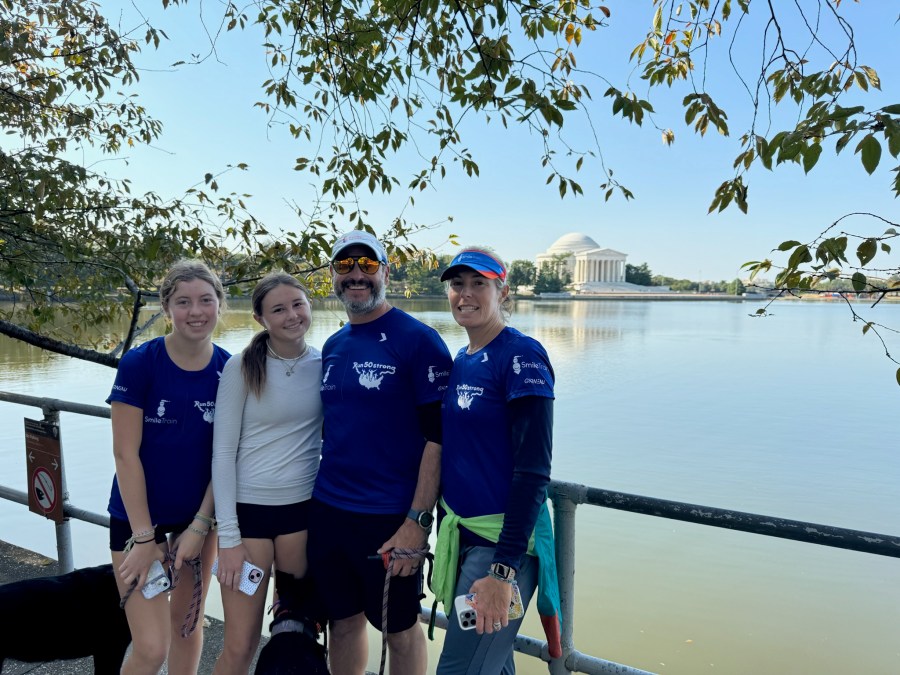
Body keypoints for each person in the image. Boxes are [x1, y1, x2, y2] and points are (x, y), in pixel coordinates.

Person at [307, 230, 453, 675]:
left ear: (385, 272)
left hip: (391, 517)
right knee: (342, 623)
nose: (356, 275)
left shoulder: (419, 341)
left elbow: (439, 439)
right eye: (345, 266)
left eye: (367, 265)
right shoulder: (333, 346)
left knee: (399, 630)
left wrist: (417, 521)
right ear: (332, 275)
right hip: (329, 511)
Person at [433, 247, 561, 675]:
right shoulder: (464, 358)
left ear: (502, 291)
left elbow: (533, 470)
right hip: (466, 537)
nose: (465, 294)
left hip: (500, 550)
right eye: (457, 284)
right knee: (493, 665)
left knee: (457, 670)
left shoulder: (522, 357)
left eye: (479, 284)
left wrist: (502, 572)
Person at [107, 259, 230, 675]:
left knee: (188, 625)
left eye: (205, 300)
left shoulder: (229, 370)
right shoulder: (141, 363)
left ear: (219, 305)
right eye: (183, 302)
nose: (195, 311)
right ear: (166, 308)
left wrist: (199, 526)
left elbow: (224, 458)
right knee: (151, 647)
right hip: (137, 518)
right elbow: (125, 455)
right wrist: (144, 540)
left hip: (199, 517)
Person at [210, 272, 323, 675]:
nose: (292, 315)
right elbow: (222, 454)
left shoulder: (324, 365)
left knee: (297, 637)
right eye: (279, 309)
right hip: (248, 521)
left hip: (302, 518)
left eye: (298, 304)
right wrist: (228, 538)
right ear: (260, 318)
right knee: (240, 647)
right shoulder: (241, 367)